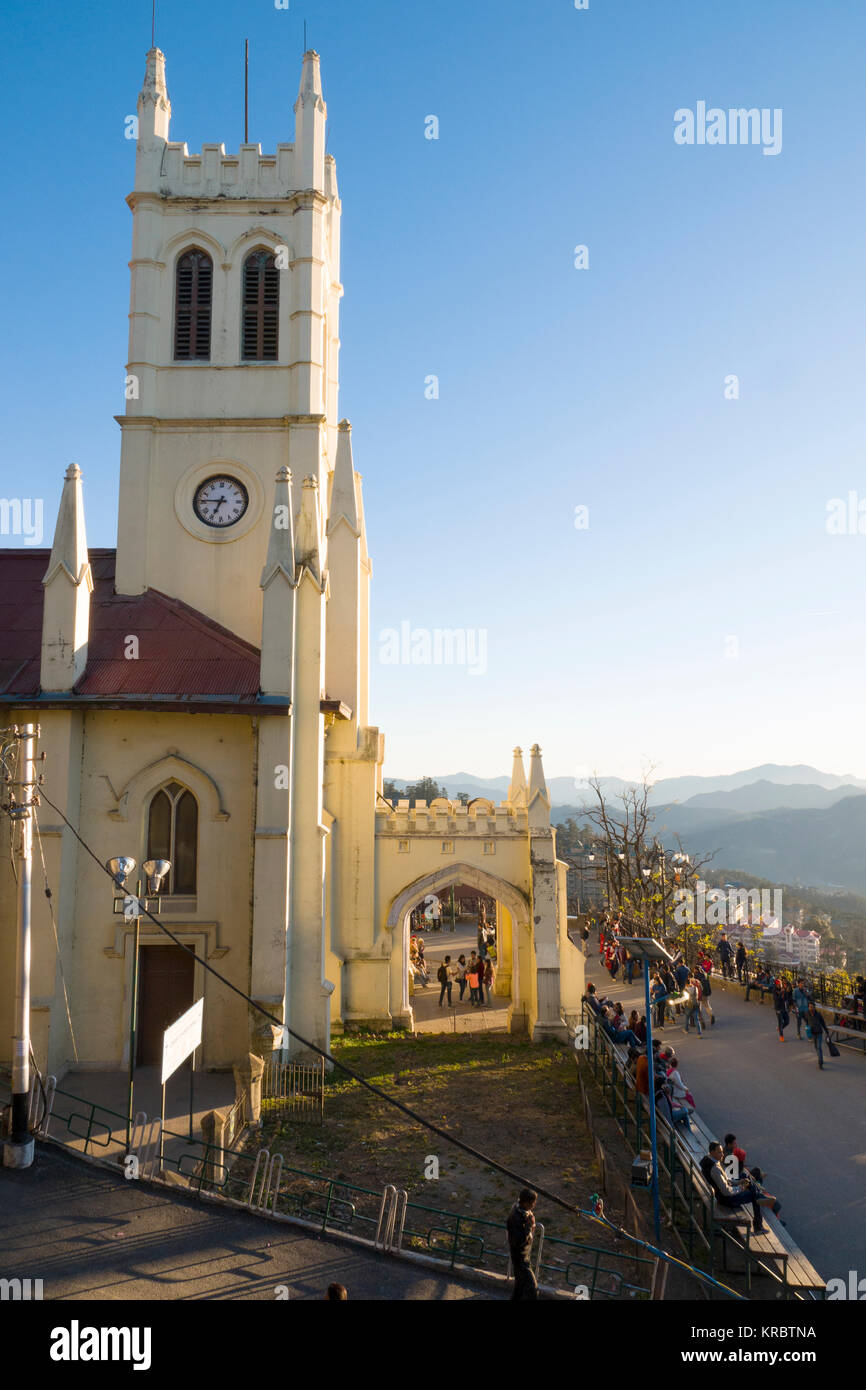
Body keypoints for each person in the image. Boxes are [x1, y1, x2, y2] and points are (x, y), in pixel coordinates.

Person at [700, 1142, 764, 1232]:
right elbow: (727, 1191)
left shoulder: (710, 1160)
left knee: (747, 1174)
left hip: (723, 1193)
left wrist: (738, 1182)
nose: (722, 1154)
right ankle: (758, 1226)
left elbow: (724, 1180)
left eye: (722, 1152)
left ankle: (756, 1189)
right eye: (719, 1152)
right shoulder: (714, 1168)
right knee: (755, 1195)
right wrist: (741, 1187)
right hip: (727, 1199)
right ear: (712, 1152)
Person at [506, 1189, 539, 1300]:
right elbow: (519, 1241)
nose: (534, 1205)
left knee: (519, 1288)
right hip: (520, 1257)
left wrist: (530, 1225)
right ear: (525, 1202)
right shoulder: (516, 1217)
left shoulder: (521, 1211)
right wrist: (530, 1225)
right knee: (532, 1288)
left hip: (523, 1256)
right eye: (532, 1202)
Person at [805, 1000, 828, 1069]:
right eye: (810, 1007)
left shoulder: (818, 1014)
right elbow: (806, 1022)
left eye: (812, 1007)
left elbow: (823, 1023)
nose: (811, 1008)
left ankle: (820, 1062)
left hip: (819, 1032)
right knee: (816, 1047)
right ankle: (820, 1058)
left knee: (819, 1047)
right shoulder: (807, 1014)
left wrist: (827, 1031)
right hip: (812, 1034)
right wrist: (807, 1028)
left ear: (815, 1007)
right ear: (808, 1007)